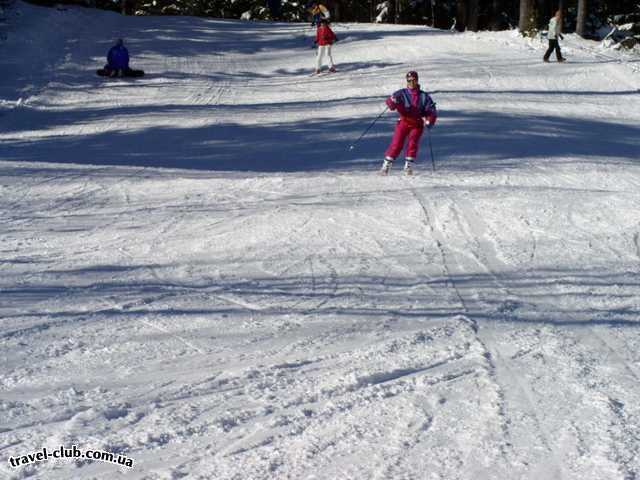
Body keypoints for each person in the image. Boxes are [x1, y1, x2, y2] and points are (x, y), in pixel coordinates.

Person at [380, 71, 437, 176]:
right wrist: (392, 101)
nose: (411, 82)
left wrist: (430, 120)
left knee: (412, 144)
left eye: (414, 80)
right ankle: (386, 165)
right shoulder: (401, 93)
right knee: (396, 144)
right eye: (409, 80)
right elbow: (390, 104)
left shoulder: (424, 96)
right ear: (406, 81)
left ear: (417, 80)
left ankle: (408, 166)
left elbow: (431, 110)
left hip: (417, 124)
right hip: (404, 121)